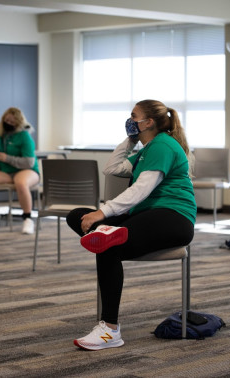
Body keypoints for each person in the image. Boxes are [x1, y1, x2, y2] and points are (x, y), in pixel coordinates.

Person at [66, 99, 196, 350]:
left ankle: (110, 330)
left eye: (133, 116)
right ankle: (108, 234)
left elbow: (140, 190)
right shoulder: (145, 150)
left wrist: (103, 212)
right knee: (77, 216)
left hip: (173, 217)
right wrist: (131, 140)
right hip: (145, 216)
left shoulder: (163, 146)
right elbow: (111, 167)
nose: (130, 119)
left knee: (107, 243)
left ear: (148, 122)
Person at [0, 107, 40, 235]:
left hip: (27, 170)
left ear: (18, 123)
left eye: (12, 122)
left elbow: (29, 162)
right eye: (7, 120)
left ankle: (27, 219)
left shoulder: (24, 136)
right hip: (7, 171)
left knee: (21, 183)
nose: (8, 124)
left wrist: (8, 158)